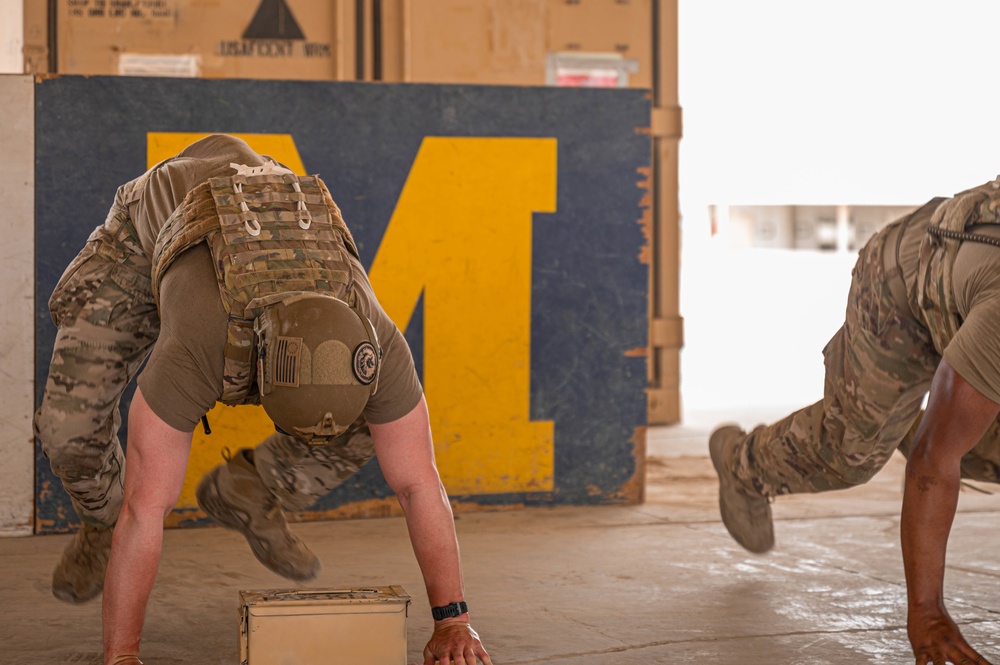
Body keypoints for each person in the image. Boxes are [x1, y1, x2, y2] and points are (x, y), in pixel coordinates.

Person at [34, 134, 493, 665]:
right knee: (70, 435)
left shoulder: (378, 344)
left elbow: (419, 482)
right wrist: (123, 657)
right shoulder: (197, 346)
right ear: (255, 374)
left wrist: (454, 620)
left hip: (264, 208)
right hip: (150, 233)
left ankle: (248, 489)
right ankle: (97, 519)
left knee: (382, 431)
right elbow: (147, 509)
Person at [709, 176, 1000, 665]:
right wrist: (926, 613)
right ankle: (743, 464)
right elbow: (935, 462)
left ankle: (921, 414)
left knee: (961, 427)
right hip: (903, 293)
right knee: (851, 453)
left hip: (966, 295)